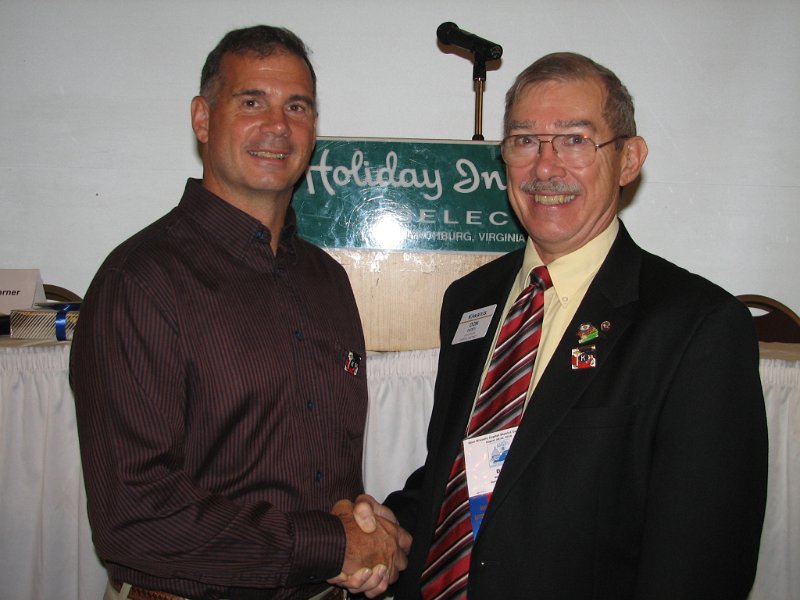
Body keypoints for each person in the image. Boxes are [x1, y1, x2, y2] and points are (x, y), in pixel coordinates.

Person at [360, 52, 768, 599]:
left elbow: (702, 566)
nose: (545, 167)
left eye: (574, 139)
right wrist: (378, 528)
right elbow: (463, 477)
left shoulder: (698, 328)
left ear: (628, 160)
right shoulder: (469, 302)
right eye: (525, 140)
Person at [70, 25, 407, 600]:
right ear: (202, 119)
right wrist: (332, 544)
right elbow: (135, 517)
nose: (277, 126)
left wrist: (368, 531)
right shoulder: (141, 281)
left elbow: (321, 479)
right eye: (252, 101)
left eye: (296, 106)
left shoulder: (328, 281)